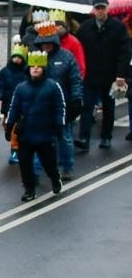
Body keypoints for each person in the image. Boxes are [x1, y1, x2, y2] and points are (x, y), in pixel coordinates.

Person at [4, 53, 65, 200]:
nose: (35, 69)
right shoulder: (21, 88)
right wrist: (9, 125)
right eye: (33, 66)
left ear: (44, 69)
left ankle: (55, 179)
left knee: (49, 162)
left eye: (38, 66)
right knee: (25, 164)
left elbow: (59, 107)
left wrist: (59, 125)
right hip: (26, 133)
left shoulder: (53, 86)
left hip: (45, 131)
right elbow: (14, 108)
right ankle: (29, 189)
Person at [73, 0, 130, 150]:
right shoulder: (85, 27)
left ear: (107, 9)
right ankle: (84, 137)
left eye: (102, 8)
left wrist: (120, 75)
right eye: (97, 8)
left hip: (110, 74)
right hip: (90, 74)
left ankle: (106, 137)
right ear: (94, 10)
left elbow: (125, 52)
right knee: (87, 107)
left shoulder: (117, 27)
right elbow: (79, 50)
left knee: (108, 107)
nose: (100, 11)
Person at [30, 19, 83, 181]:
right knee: (39, 140)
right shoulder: (36, 58)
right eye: (43, 43)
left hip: (62, 105)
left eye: (48, 43)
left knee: (64, 137)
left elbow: (75, 79)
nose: (46, 46)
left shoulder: (66, 57)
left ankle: (67, 166)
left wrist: (76, 99)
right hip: (40, 105)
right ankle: (36, 171)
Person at [0, 41, 30, 165]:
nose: (16, 60)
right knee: (9, 125)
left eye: (19, 58)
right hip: (8, 103)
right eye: (14, 57)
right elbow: (1, 85)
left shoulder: (26, 72)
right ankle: (10, 137)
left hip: (22, 104)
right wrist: (0, 97)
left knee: (17, 128)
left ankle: (15, 149)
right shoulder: (5, 71)